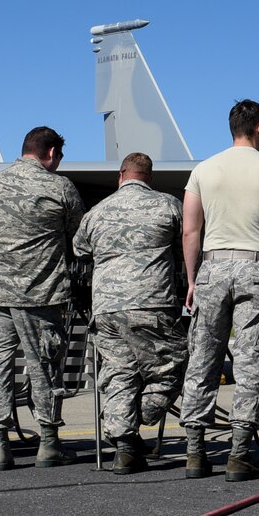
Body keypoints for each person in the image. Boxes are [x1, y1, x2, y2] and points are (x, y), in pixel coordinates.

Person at [181, 100, 259, 481]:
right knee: (250, 363)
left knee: (203, 358)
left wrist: (193, 279)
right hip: (258, 267)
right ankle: (239, 452)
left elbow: (190, 231)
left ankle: (195, 453)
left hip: (212, 266)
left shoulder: (203, 170)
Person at [0, 126, 85, 470]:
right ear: (50, 153)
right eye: (58, 157)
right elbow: (79, 239)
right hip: (41, 295)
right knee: (44, 366)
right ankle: (48, 442)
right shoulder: (60, 187)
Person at [74, 152, 187, 475]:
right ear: (148, 178)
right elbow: (187, 243)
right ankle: (134, 420)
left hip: (107, 308)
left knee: (119, 372)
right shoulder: (168, 205)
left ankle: (124, 443)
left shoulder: (97, 213)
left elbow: (80, 250)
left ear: (121, 175)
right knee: (172, 366)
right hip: (153, 302)